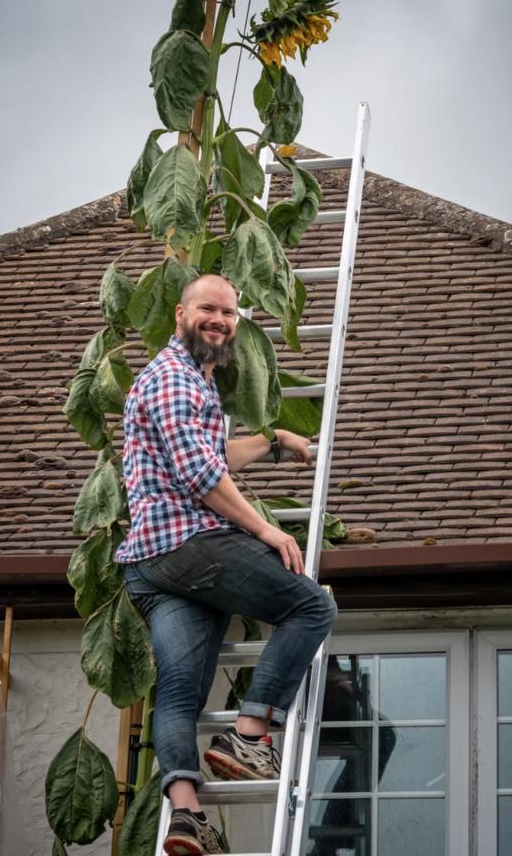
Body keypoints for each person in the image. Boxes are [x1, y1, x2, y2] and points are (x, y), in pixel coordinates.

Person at [116, 274, 337, 856]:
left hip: (153, 564)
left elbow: (208, 453)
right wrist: (264, 528)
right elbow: (201, 477)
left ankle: (187, 817)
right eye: (208, 309)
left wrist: (272, 442)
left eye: (229, 313)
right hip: (187, 545)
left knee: (180, 693)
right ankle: (250, 732)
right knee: (310, 605)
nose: (219, 319)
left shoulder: (194, 381)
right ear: (180, 316)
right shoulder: (170, 379)